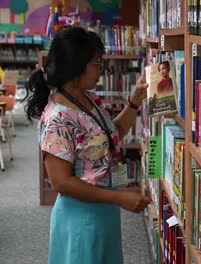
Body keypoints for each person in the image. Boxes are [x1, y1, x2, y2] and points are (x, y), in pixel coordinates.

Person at [24, 27, 151, 264]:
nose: (101, 68)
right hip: (82, 218)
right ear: (76, 66)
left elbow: (108, 137)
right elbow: (61, 182)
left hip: (104, 210)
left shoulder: (86, 99)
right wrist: (119, 199)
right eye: (96, 62)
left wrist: (134, 102)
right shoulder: (57, 119)